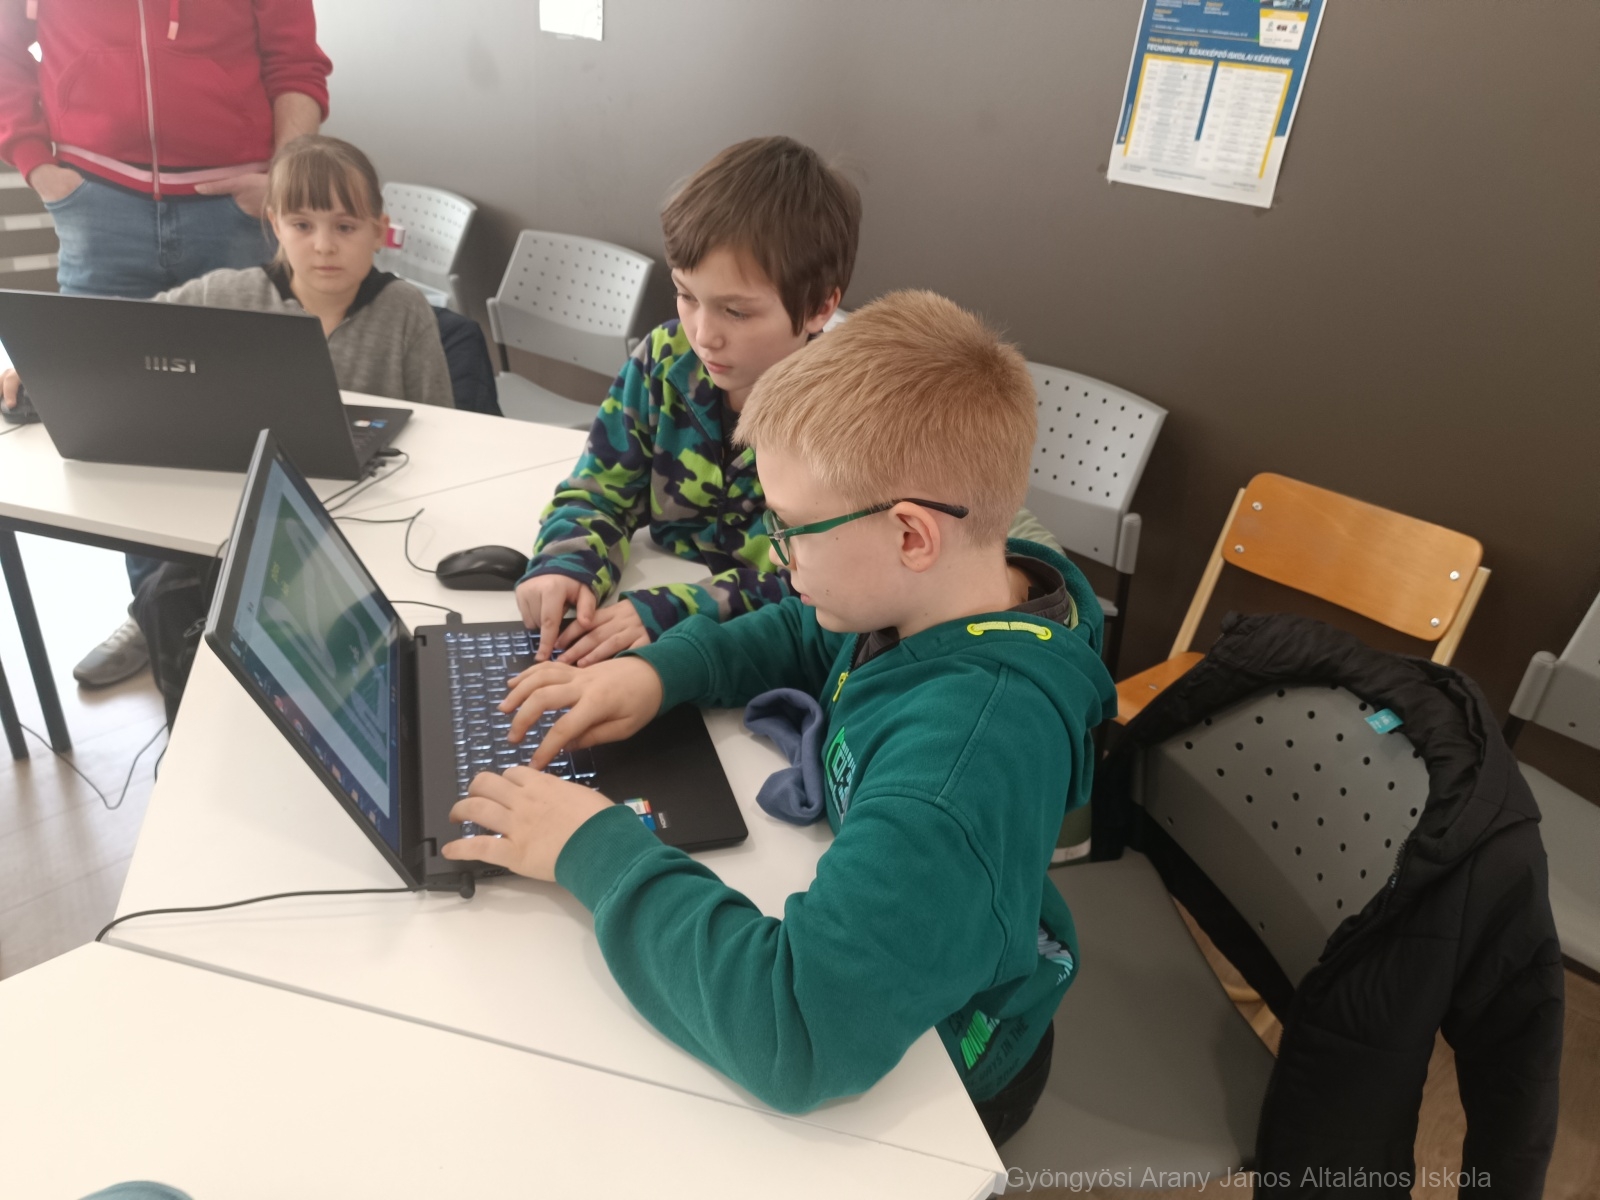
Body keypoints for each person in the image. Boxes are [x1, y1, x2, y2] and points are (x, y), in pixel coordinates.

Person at [442, 291, 1117, 1146]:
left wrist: (592, 849)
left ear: (912, 536)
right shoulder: (955, 591)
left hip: (949, 1076)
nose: (778, 554)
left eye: (792, 528)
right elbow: (805, 627)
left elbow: (795, 1033)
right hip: (906, 932)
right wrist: (658, 672)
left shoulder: (960, 764)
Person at [0, 0, 333, 686]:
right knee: (120, 430)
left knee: (258, 419)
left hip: (235, 208)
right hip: (96, 207)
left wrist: (280, 178)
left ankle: (262, 616)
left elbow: (296, 63)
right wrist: (38, 165)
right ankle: (158, 609)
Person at [514, 136, 855, 667]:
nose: (703, 334)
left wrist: (676, 611)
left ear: (819, 307)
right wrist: (565, 564)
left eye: (736, 312)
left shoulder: (849, 411)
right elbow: (598, 492)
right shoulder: (664, 359)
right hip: (651, 609)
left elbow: (830, 587)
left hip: (755, 657)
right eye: (686, 295)